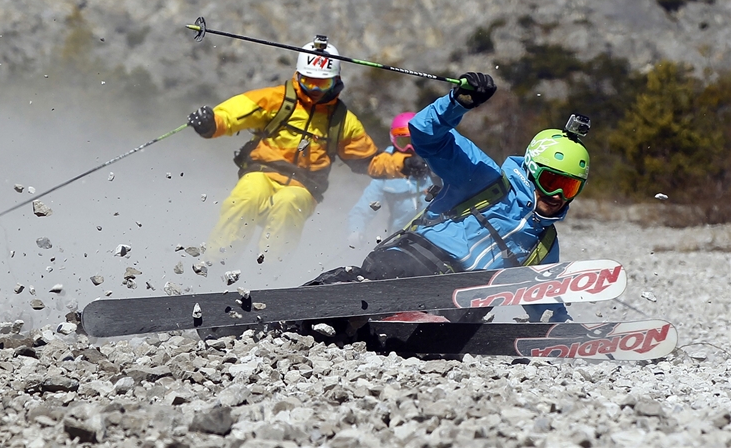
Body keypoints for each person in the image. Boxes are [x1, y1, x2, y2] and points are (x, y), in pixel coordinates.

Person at [311, 71, 591, 325]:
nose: (556, 195)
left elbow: (542, 294)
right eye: (551, 181)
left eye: (569, 188)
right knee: (374, 282)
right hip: (411, 262)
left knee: (458, 310)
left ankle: (412, 322)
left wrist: (561, 327)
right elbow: (425, 135)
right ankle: (310, 302)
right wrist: (457, 103)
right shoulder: (483, 176)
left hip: (456, 303)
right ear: (530, 171)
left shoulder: (544, 243)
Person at [188, 38, 407, 262]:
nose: (314, 90)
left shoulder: (341, 121)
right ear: (298, 77)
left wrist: (404, 164)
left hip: (304, 186)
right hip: (261, 172)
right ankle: (215, 262)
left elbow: (370, 160)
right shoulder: (276, 100)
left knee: (288, 203)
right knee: (247, 196)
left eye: (321, 84)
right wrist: (212, 122)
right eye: (308, 81)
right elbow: (234, 113)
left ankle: (269, 272)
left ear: (335, 82)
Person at [347, 112, 441, 247]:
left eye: (414, 141)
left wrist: (430, 167)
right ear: (394, 141)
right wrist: (356, 230)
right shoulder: (386, 169)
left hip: (437, 235)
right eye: (403, 142)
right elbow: (364, 207)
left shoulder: (436, 161)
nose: (409, 148)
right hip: (400, 239)